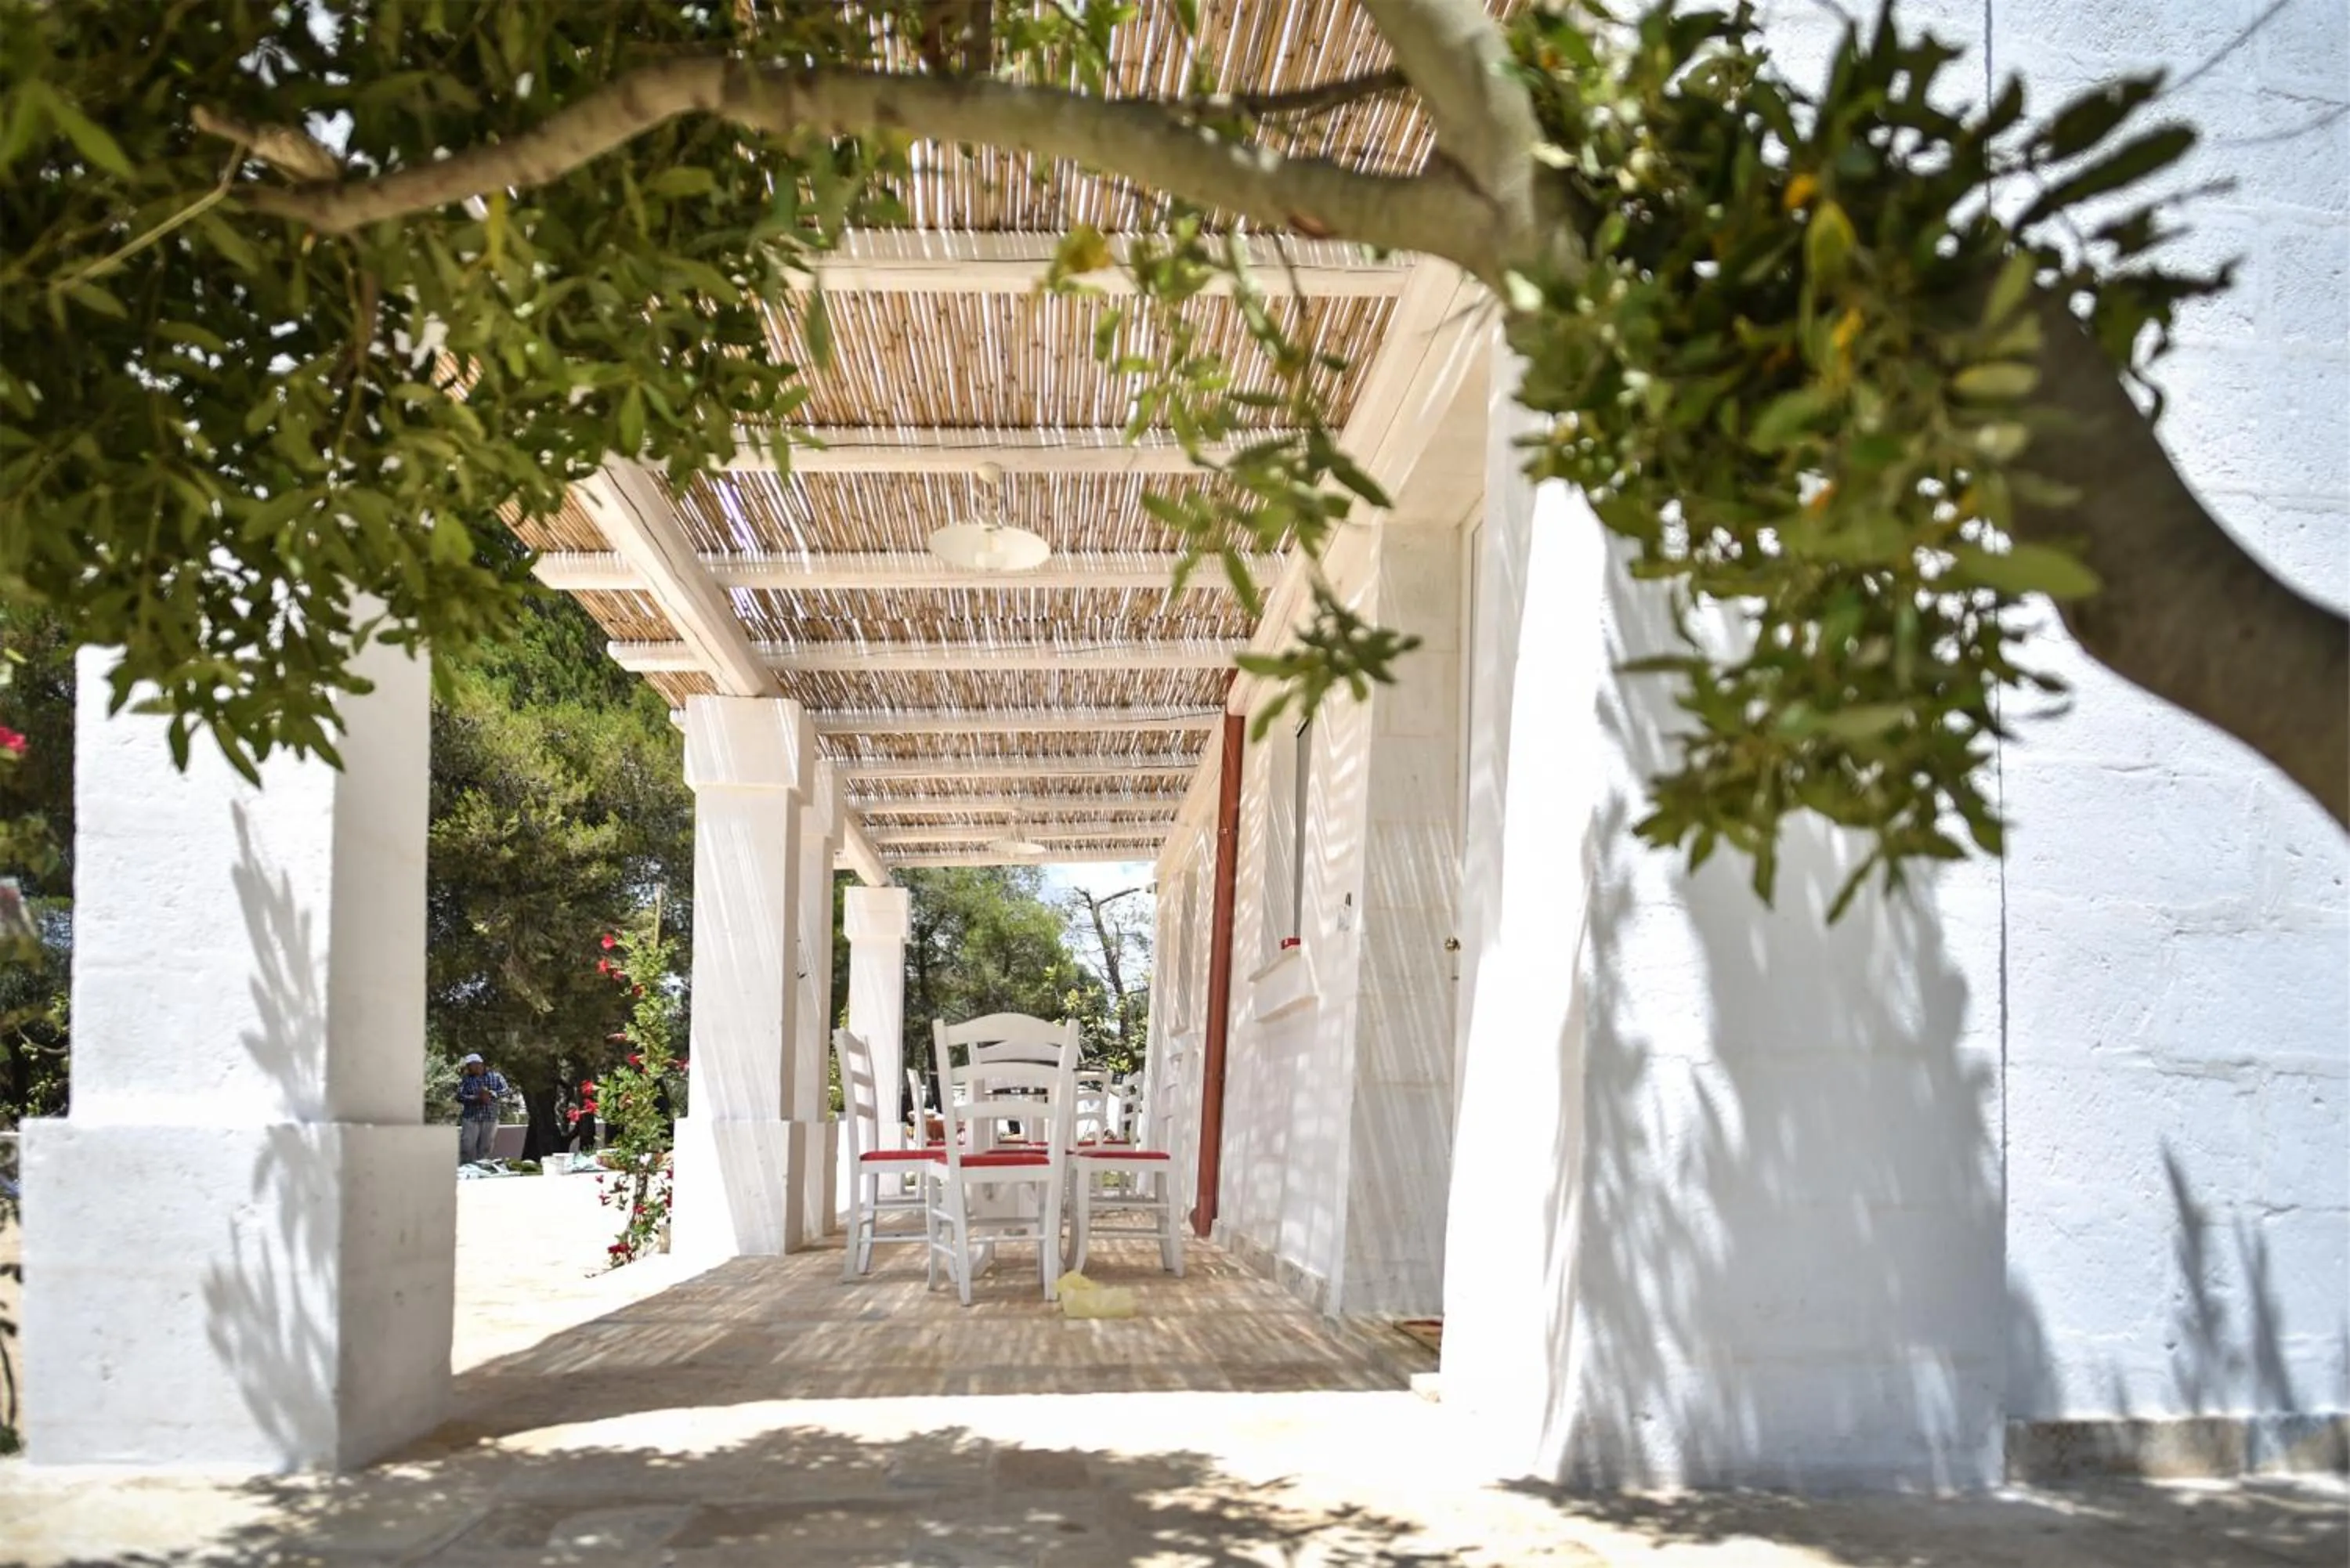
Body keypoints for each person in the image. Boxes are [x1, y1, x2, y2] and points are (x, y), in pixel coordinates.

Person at [455, 1053, 508, 1165]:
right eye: (468, 1067)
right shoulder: (466, 1080)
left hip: (490, 1117)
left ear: (479, 1064)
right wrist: (475, 1098)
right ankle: (466, 1167)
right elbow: (459, 1096)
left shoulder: (496, 1076)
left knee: (485, 1147)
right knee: (467, 1146)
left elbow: (506, 1091)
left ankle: (481, 1168)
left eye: (471, 1066)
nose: (469, 1069)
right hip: (471, 1117)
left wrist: (491, 1094)